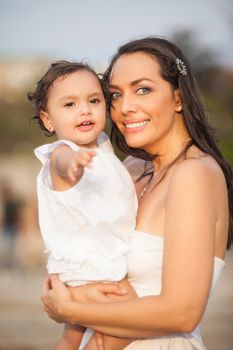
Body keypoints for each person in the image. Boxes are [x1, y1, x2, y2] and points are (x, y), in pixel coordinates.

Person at [41, 37, 233, 350]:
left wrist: (66, 308)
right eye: (115, 94)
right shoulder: (129, 169)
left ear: (177, 98)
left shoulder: (194, 174)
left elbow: (182, 313)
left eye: (142, 89)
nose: (126, 107)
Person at [28, 60, 138, 350]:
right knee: (127, 320)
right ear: (48, 120)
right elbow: (61, 164)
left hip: (95, 270)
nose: (85, 110)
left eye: (93, 100)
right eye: (69, 105)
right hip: (86, 273)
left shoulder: (102, 147)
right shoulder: (62, 152)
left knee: (71, 338)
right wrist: (73, 164)